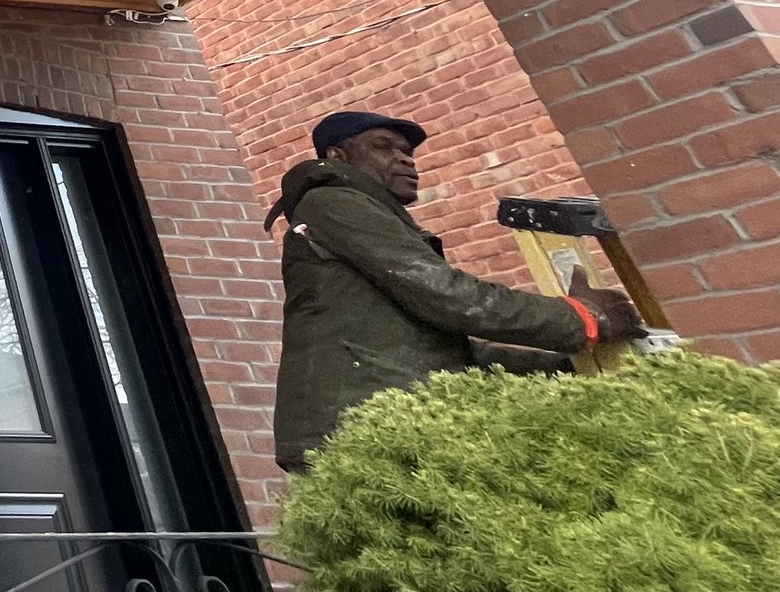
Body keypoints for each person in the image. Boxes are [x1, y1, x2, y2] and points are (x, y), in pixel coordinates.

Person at [268, 109, 644, 472]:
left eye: (408, 152)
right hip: (356, 426)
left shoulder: (365, 214)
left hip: (373, 418)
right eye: (383, 147)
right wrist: (582, 319)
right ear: (338, 156)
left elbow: (442, 348)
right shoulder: (333, 202)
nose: (405, 160)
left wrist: (566, 369)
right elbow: (449, 296)